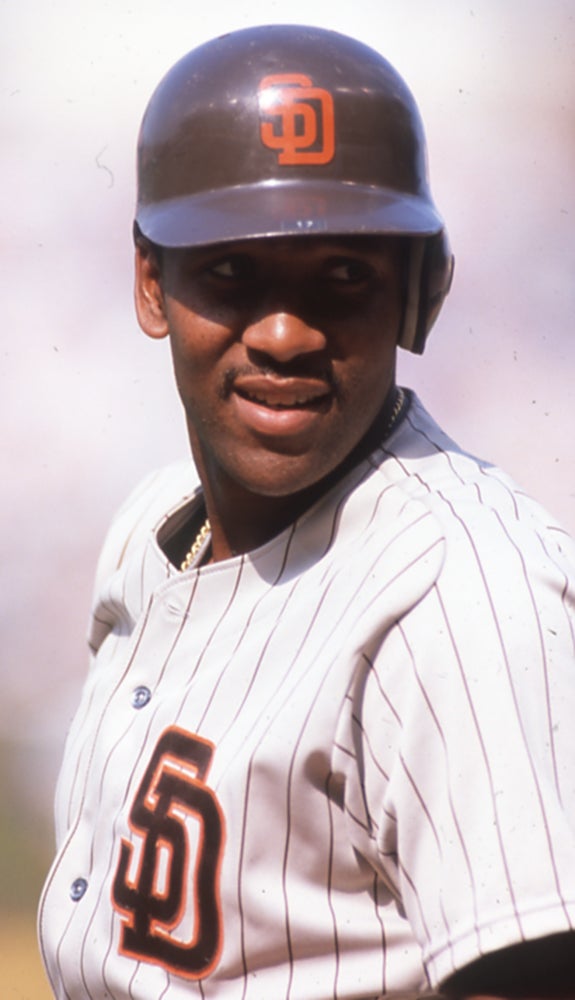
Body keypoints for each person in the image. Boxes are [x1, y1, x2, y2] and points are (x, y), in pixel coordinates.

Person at [38, 23, 575, 1000]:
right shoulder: (147, 532)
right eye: (233, 272)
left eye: (342, 277)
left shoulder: (462, 596)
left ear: (420, 292)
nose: (284, 333)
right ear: (151, 282)